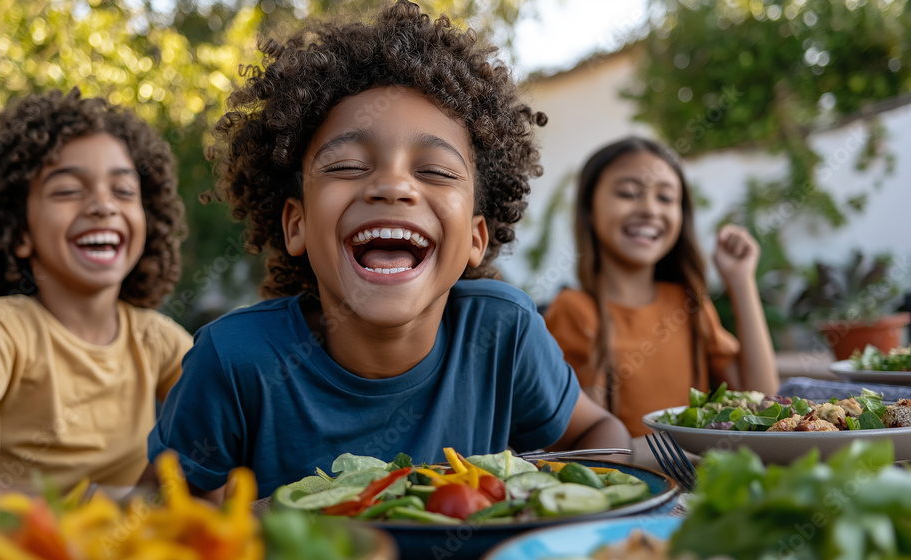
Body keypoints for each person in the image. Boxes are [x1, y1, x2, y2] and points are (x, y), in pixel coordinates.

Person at [148, 0, 630, 500]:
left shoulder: (502, 334)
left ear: (474, 239)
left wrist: (563, 508)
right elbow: (161, 507)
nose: (393, 186)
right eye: (348, 165)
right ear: (296, 223)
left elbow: (604, 438)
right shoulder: (233, 359)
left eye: (435, 171)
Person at [0, 89, 193, 494]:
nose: (102, 205)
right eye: (68, 190)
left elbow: (221, 442)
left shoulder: (159, 340)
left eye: (124, 191)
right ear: (19, 231)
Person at [543, 137, 779, 437]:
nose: (650, 209)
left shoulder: (689, 303)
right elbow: (589, 445)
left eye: (666, 198)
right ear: (590, 207)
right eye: (629, 193)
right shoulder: (574, 311)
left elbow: (764, 403)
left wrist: (741, 281)